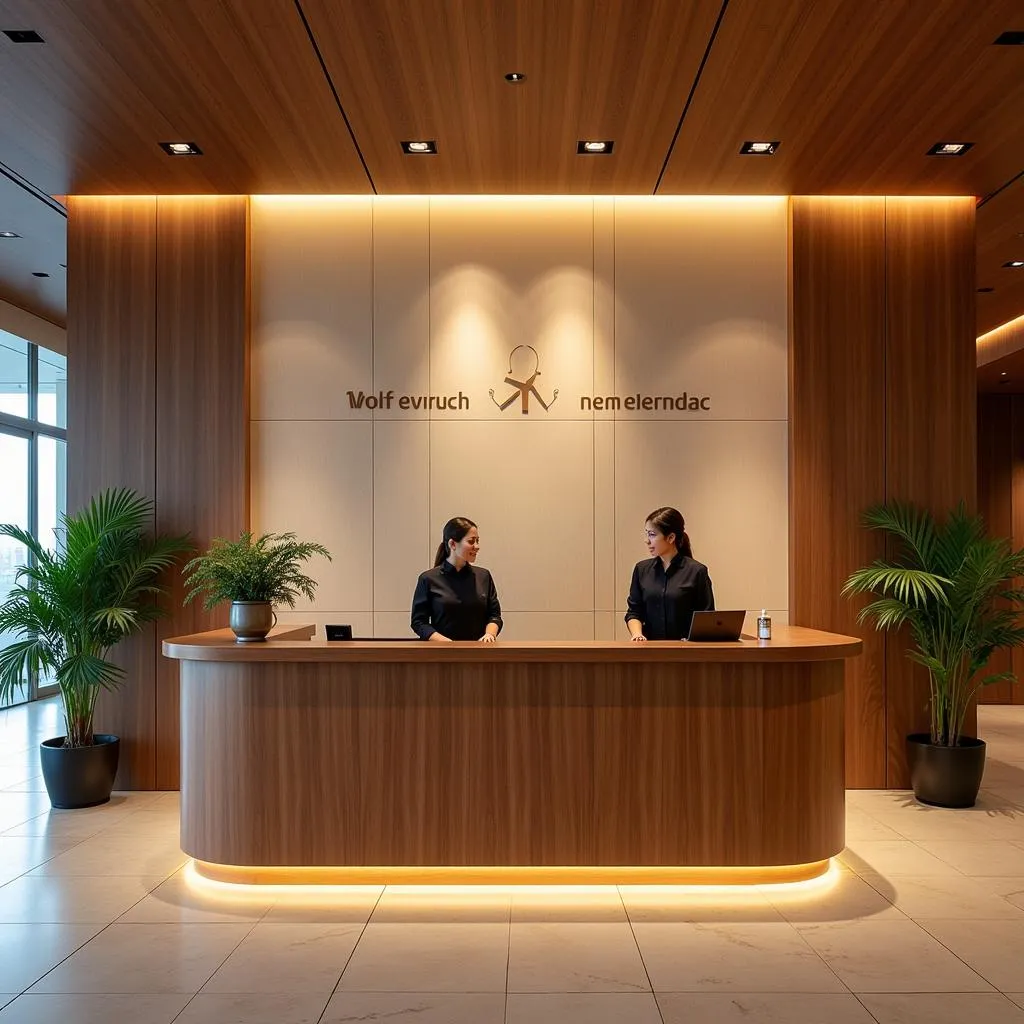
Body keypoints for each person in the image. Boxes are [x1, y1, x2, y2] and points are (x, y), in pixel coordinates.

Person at [625, 506, 714, 641]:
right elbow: (634, 612)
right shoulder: (641, 569)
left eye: (652, 535)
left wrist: (692, 639)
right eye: (647, 534)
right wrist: (637, 634)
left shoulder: (697, 571)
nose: (647, 540)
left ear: (671, 537)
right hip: (650, 652)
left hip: (687, 653)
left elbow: (707, 617)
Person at [411, 517, 503, 642]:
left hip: (479, 654)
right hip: (442, 654)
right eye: (471, 541)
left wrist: (490, 635)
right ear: (452, 544)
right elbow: (419, 622)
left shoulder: (484, 576)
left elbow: (494, 616)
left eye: (477, 541)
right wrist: (446, 644)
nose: (477, 546)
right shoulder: (427, 579)